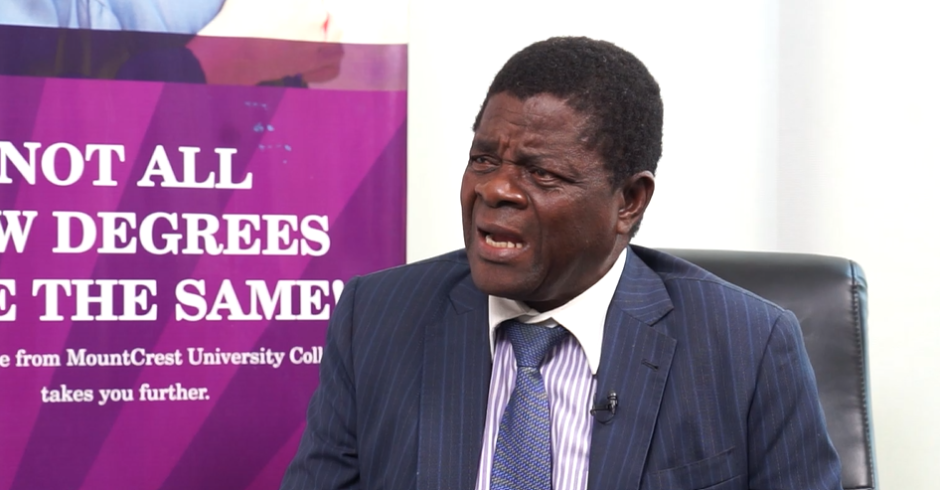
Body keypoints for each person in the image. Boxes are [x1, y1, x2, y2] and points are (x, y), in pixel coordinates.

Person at [280, 36, 842, 490]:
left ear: (629, 202)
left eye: (540, 173)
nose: (495, 189)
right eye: (483, 159)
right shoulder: (377, 318)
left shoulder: (748, 346)